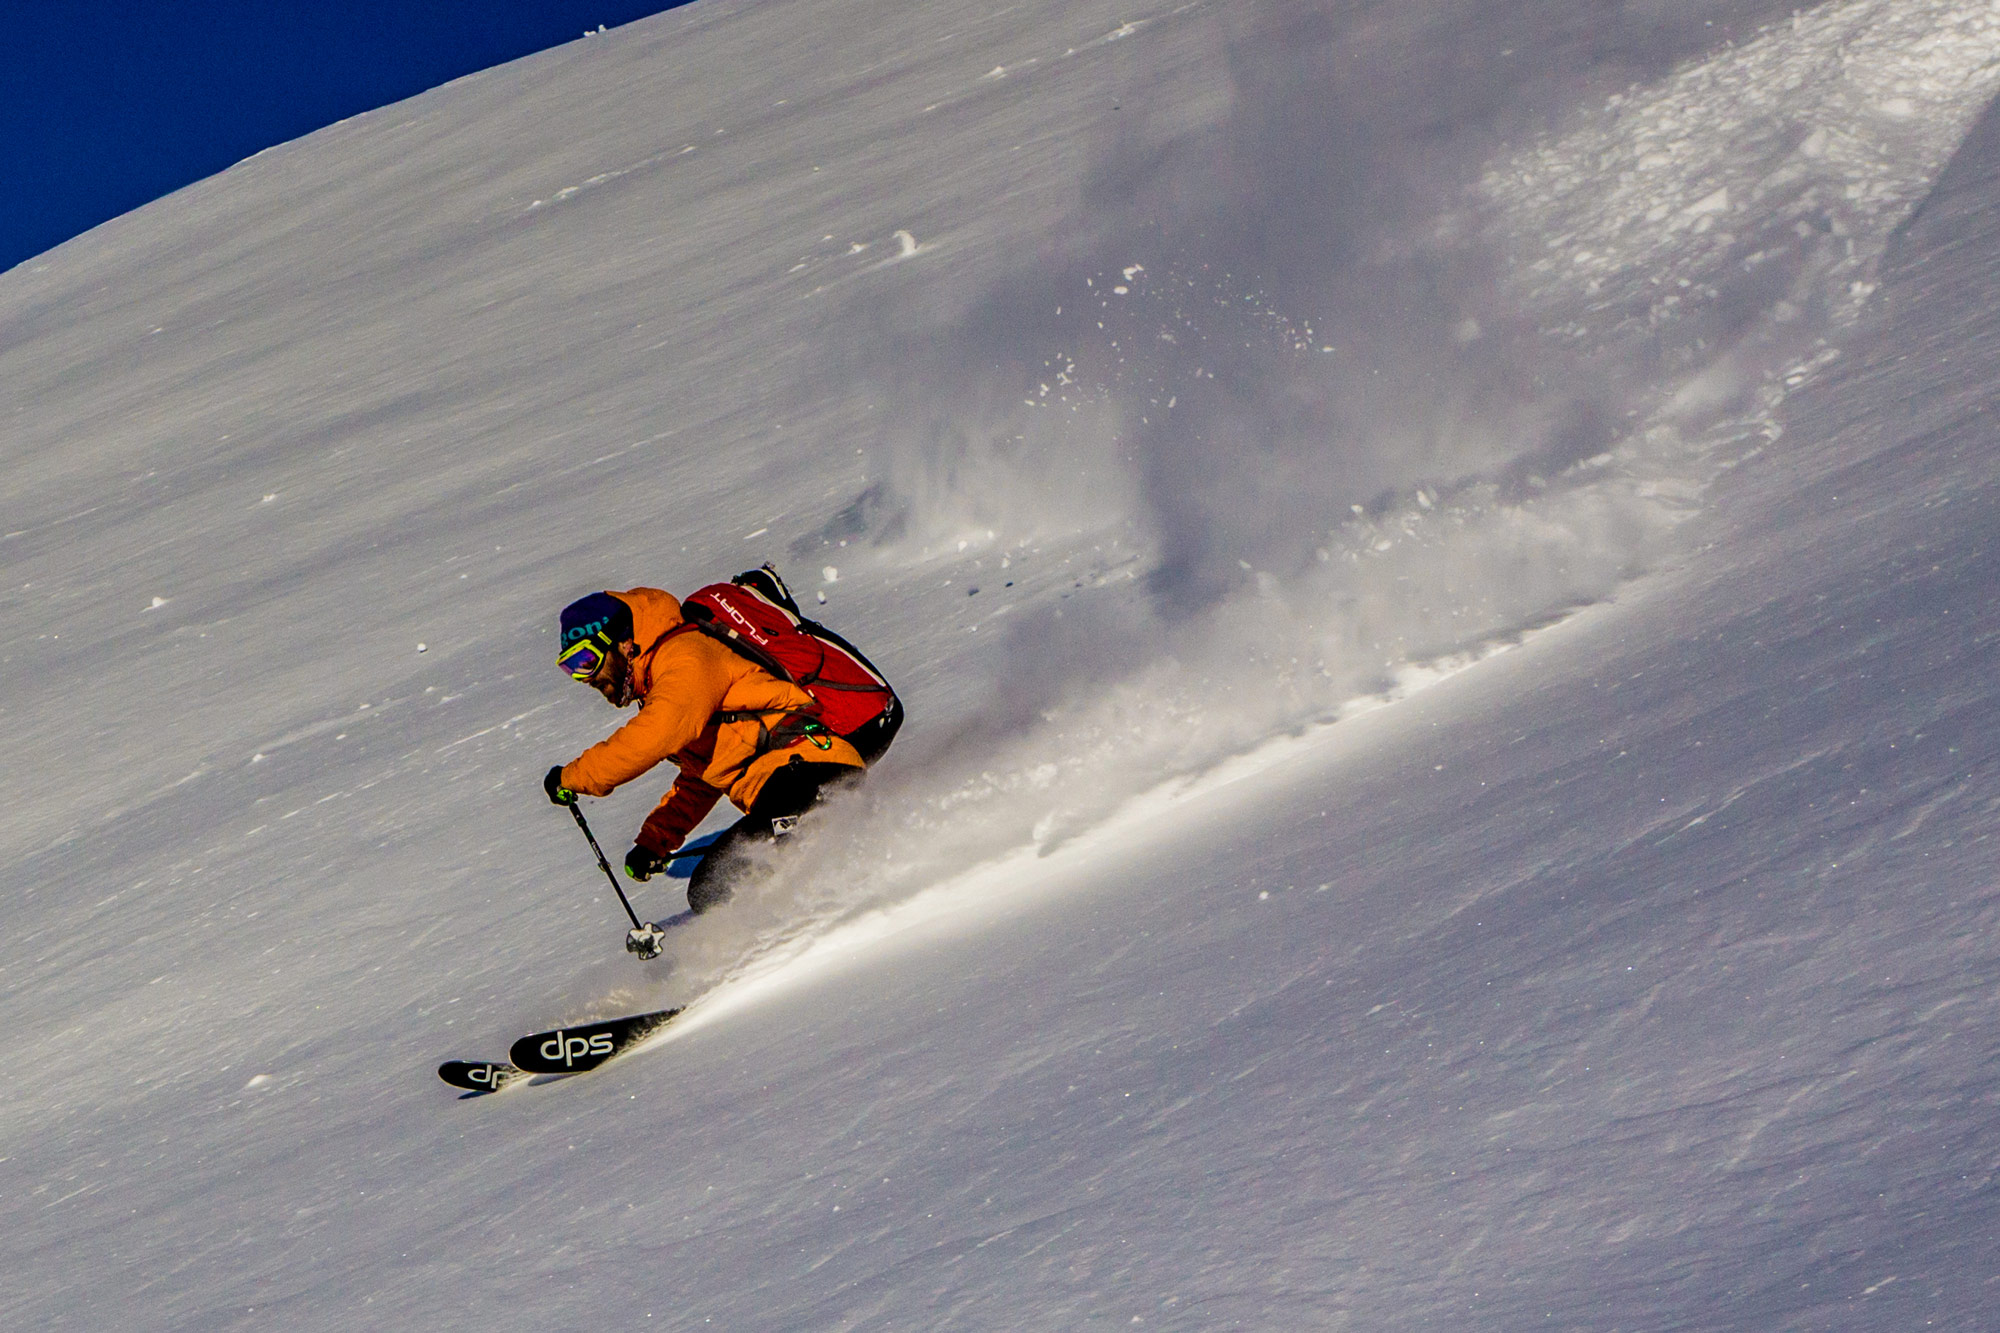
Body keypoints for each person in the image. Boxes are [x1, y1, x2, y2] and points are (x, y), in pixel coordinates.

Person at [543, 585, 869, 915]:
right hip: (792, 782)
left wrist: (573, 777)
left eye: (585, 660)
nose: (584, 678)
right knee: (719, 887)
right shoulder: (668, 680)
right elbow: (702, 776)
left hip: (808, 773)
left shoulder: (686, 656)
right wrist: (655, 840)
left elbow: (655, 736)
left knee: (717, 885)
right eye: (570, 668)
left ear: (623, 643)